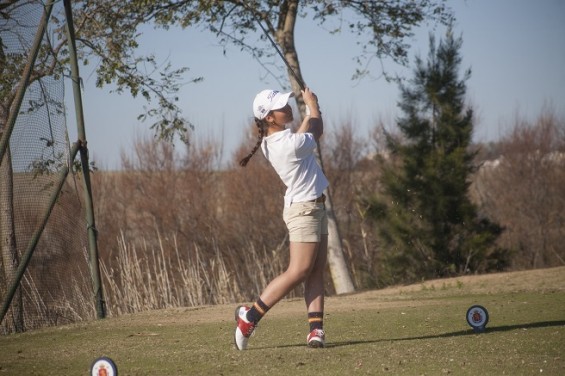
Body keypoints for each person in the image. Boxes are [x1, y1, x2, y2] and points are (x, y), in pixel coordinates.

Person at [235, 87, 329, 350]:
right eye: (280, 106)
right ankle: (249, 318)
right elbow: (317, 130)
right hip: (304, 210)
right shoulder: (287, 145)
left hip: (315, 206)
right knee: (299, 270)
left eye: (286, 102)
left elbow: (305, 134)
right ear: (269, 118)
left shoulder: (281, 141)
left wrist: (310, 112)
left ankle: (315, 331)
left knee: (316, 271)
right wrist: (313, 106)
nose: (287, 107)